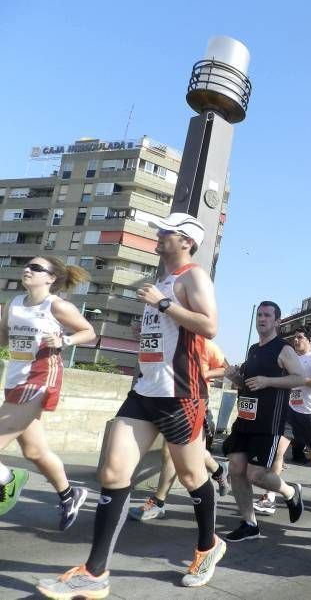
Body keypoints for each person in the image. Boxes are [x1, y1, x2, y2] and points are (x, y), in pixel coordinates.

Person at [39, 213, 226, 598]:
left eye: (165, 233)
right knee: (112, 471)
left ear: (186, 242)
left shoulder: (194, 277)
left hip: (181, 394)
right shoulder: (161, 283)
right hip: (145, 391)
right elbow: (170, 331)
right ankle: (95, 573)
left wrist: (162, 306)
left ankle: (208, 546)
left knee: (192, 478)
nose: (157, 236)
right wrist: (150, 328)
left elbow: (209, 327)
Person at [0, 257, 95, 530]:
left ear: (51, 279)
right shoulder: (14, 304)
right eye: (27, 266)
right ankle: (69, 495)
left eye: (37, 268)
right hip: (15, 381)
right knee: (34, 450)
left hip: (40, 380)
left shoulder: (56, 306)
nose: (28, 269)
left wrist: (65, 340)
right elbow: (3, 339)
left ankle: (8, 479)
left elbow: (88, 332)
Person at [222, 301, 309, 542]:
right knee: (237, 469)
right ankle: (249, 523)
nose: (262, 318)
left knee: (256, 475)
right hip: (245, 419)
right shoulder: (253, 349)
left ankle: (291, 492)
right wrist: (235, 378)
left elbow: (300, 378)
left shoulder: (283, 349)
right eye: (259, 314)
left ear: (277, 322)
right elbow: (248, 384)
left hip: (268, 423)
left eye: (267, 315)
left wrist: (268, 381)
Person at [128, 339, 231, 521]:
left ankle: (159, 502)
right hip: (162, 401)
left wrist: (203, 373)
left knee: (171, 452)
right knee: (192, 453)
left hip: (194, 403)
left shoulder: (205, 344)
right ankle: (218, 470)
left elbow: (227, 369)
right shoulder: (166, 338)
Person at [271, 326, 311, 513]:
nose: (296, 341)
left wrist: (301, 380)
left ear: (310, 340)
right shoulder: (293, 358)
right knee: (277, 451)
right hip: (292, 411)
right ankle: (270, 496)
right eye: (294, 338)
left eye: (300, 337)